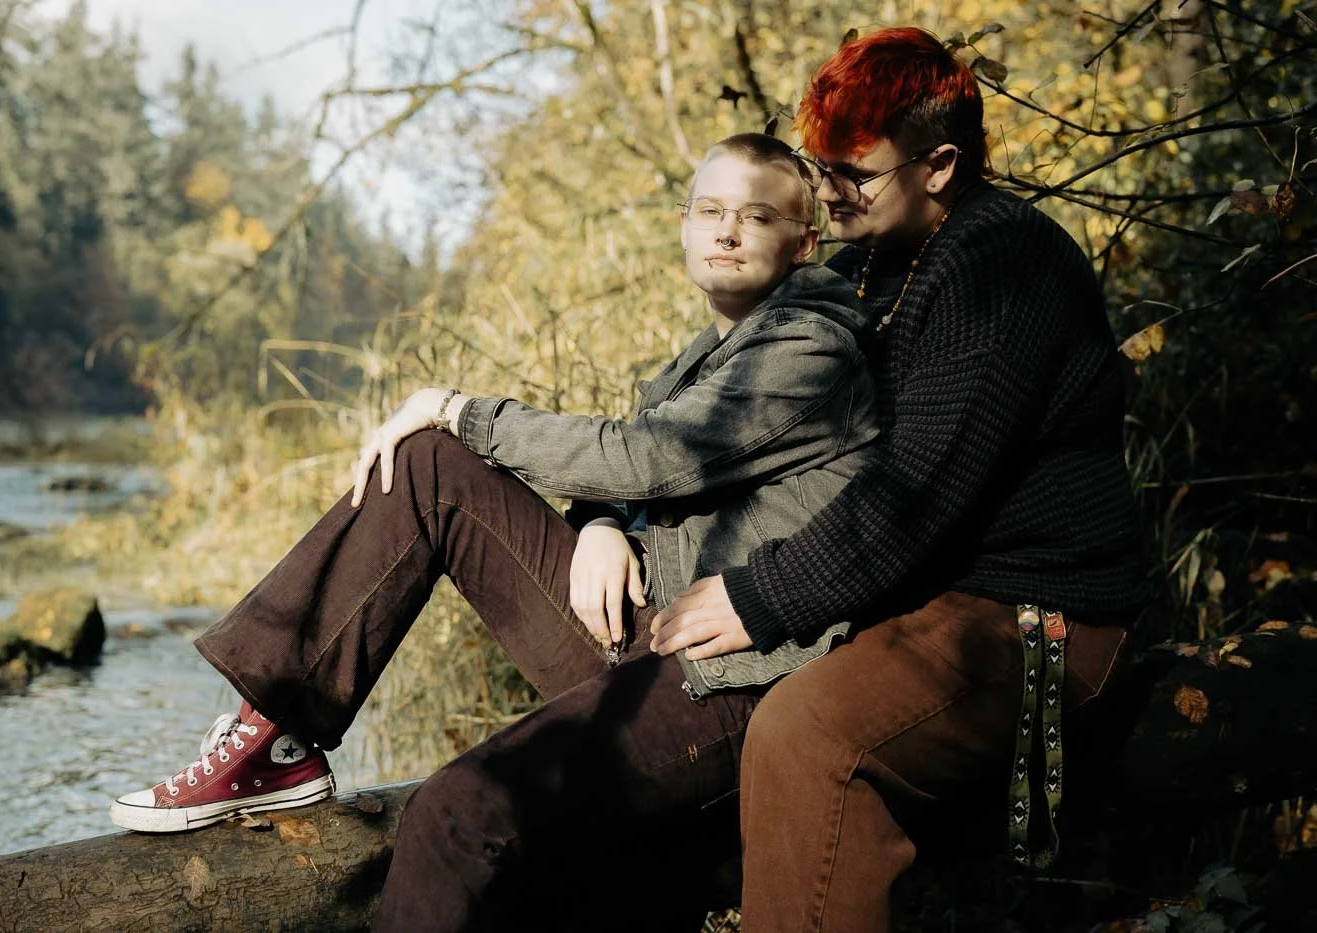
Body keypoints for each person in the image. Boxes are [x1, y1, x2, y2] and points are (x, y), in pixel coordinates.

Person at [108, 133, 879, 930]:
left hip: (728, 683)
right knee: (432, 466)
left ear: (804, 242)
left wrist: (458, 406)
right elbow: (653, 471)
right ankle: (275, 735)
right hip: (645, 627)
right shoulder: (713, 350)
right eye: (710, 210)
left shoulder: (808, 347)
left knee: (455, 812)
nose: (725, 231)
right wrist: (603, 524)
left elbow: (649, 455)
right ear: (683, 222)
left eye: (754, 216)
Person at [647, 28, 1150, 932]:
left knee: (808, 736)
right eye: (820, 164)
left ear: (941, 164)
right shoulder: (859, 261)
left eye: (856, 171)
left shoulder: (1004, 262)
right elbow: (719, 411)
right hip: (920, 592)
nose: (828, 189)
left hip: (1032, 612)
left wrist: (763, 597)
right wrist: (612, 515)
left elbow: (918, 490)